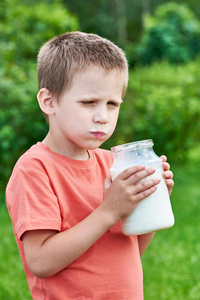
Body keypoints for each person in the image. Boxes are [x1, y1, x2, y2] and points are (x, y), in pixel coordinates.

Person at [6, 31, 174, 300]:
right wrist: (109, 211)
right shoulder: (35, 169)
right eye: (88, 102)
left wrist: (150, 201)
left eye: (112, 104)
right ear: (49, 102)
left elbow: (129, 250)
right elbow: (41, 262)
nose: (102, 117)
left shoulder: (113, 163)